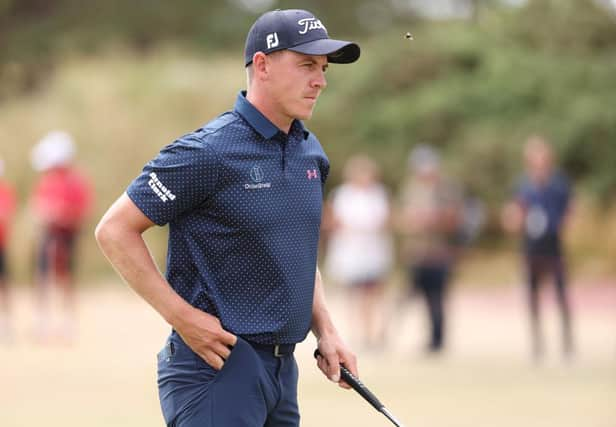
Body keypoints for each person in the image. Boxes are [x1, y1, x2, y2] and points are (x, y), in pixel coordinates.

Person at [95, 9, 361, 427]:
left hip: (281, 372)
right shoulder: (207, 152)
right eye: (307, 65)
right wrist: (181, 318)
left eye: (324, 69)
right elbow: (114, 230)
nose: (320, 81)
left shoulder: (311, 154)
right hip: (215, 368)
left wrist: (325, 330)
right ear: (263, 65)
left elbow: (296, 251)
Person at [501, 135, 574, 360]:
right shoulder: (523, 184)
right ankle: (537, 344)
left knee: (561, 293)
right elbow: (513, 211)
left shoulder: (559, 183)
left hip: (553, 243)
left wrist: (563, 225)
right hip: (531, 244)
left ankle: (567, 344)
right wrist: (514, 219)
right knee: (532, 294)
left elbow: (570, 209)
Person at [323, 155, 393, 351]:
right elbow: (334, 221)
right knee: (354, 295)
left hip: (372, 252)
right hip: (351, 253)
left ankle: (374, 332)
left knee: (372, 294)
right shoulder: (342, 195)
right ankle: (358, 333)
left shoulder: (378, 194)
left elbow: (384, 220)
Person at [397, 145, 462, 354]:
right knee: (409, 296)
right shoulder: (411, 188)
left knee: (437, 299)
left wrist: (432, 220)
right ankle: (388, 337)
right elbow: (403, 217)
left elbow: (454, 218)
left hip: (438, 253)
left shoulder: (446, 189)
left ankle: (437, 340)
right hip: (417, 252)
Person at [30, 131, 93, 343]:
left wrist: (60, 215)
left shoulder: (75, 182)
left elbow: (81, 213)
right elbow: (38, 206)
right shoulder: (47, 181)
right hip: (47, 236)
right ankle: (43, 324)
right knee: (43, 278)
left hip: (66, 237)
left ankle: (66, 324)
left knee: (66, 279)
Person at [0, 159, 17, 342]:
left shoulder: (4, 192)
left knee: (4, 285)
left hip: (1, 245)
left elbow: (4, 216)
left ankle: (7, 324)